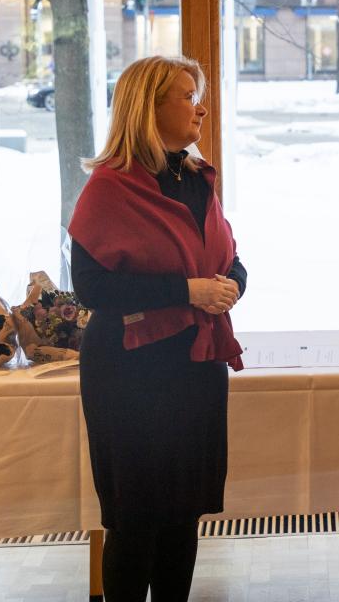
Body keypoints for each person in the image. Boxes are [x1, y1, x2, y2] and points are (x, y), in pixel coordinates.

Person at [68, 55, 247, 602]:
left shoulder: (196, 178)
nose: (201, 109)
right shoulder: (110, 187)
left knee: (182, 514)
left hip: (195, 364)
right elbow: (92, 288)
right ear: (148, 107)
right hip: (131, 372)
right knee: (136, 518)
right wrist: (188, 291)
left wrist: (231, 285)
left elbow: (231, 258)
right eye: (188, 97)